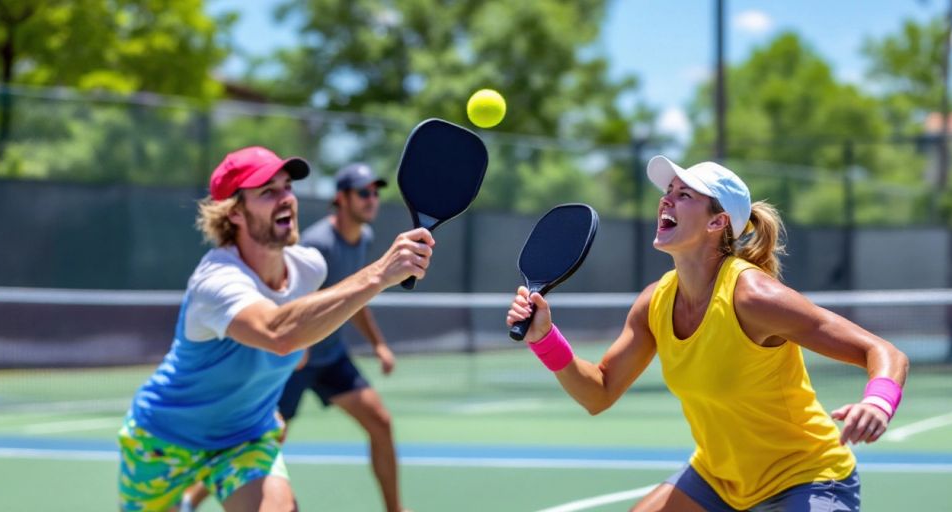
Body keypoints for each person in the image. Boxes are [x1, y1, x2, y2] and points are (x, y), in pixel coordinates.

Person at [506, 155, 909, 512]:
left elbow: (882, 351)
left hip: (807, 476)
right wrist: (544, 338)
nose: (666, 199)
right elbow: (599, 392)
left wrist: (877, 403)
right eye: (668, 191)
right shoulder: (655, 303)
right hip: (718, 478)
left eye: (684, 195)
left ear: (717, 222)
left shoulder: (755, 297)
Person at [118, 146, 434, 512]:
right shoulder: (216, 280)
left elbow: (299, 335)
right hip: (163, 439)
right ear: (234, 212)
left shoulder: (309, 268)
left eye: (287, 187)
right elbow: (278, 334)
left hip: (245, 439)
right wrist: (380, 273)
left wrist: (269, 398)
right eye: (268, 192)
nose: (286, 198)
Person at [277, 162, 405, 512]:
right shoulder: (316, 245)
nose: (372, 199)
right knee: (263, 444)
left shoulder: (362, 238)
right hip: (294, 363)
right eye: (363, 192)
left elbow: (356, 298)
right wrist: (294, 348)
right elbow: (292, 303)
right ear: (342, 199)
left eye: (375, 192)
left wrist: (378, 343)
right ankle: (188, 501)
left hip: (331, 357)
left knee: (380, 422)